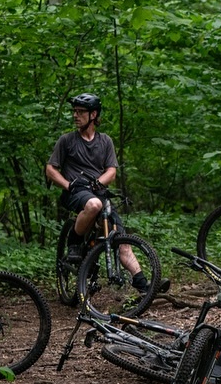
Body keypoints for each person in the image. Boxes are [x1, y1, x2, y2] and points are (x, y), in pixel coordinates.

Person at [44, 93, 153, 292]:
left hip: (99, 193)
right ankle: (74, 242)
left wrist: (98, 184)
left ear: (93, 115)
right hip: (76, 192)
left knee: (121, 240)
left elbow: (111, 171)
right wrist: (68, 185)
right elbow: (50, 169)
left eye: (81, 112)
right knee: (93, 205)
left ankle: (143, 284)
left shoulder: (105, 141)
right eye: (74, 112)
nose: (76, 115)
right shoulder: (67, 140)